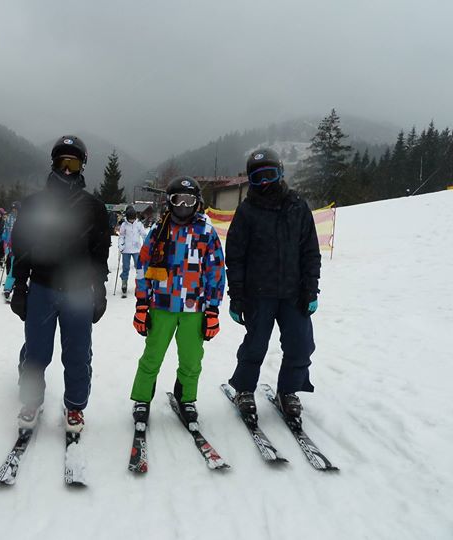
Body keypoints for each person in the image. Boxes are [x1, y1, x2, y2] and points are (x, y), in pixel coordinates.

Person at [10, 135, 110, 432]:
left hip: (78, 293)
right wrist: (19, 287)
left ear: (82, 167)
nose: (67, 170)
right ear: (53, 164)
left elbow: (99, 254)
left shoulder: (94, 207)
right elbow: (21, 248)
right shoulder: (34, 204)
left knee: (78, 353)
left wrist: (100, 290)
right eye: (61, 162)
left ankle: (75, 406)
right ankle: (31, 400)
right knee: (36, 352)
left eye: (73, 163)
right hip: (42, 288)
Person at [225, 148, 321, 419]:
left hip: (294, 293)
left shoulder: (297, 206)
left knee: (301, 345)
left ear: (281, 173)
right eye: (258, 177)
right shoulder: (247, 211)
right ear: (251, 180)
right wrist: (237, 296)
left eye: (270, 174)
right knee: (255, 345)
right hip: (258, 294)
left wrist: (310, 289)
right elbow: (235, 257)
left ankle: (288, 390)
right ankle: (244, 389)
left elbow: (310, 251)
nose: (265, 182)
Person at [129, 176, 225, 427]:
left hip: (195, 307)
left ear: (197, 203)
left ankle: (186, 398)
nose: (183, 206)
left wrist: (213, 310)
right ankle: (142, 398)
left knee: (192, 358)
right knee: (152, 355)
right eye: (178, 200)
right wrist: (141, 305)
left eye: (189, 200)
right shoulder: (159, 230)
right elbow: (143, 267)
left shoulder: (206, 231)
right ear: (169, 202)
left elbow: (216, 271)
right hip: (162, 305)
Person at [117, 205, 147, 296]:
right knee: (126, 267)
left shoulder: (139, 224)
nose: (131, 220)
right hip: (126, 250)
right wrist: (120, 245)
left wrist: (146, 244)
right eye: (130, 219)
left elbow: (144, 235)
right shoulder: (124, 225)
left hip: (136, 250)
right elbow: (121, 236)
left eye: (133, 219)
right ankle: (124, 283)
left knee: (139, 267)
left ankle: (140, 284)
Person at [2, 201, 20, 300]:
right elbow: (6, 230)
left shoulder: (24, 219)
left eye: (16, 209)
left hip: (23, 248)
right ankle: (7, 289)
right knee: (12, 268)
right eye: (13, 209)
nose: (14, 211)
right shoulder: (9, 218)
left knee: (23, 270)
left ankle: (20, 288)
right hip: (12, 245)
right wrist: (6, 240)